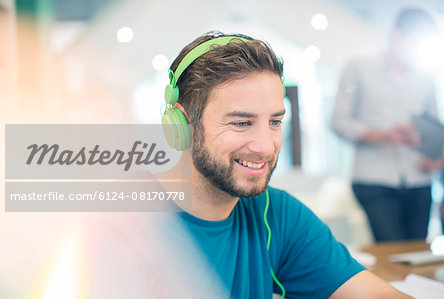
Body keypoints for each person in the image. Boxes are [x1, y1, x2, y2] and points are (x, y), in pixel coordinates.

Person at [162, 31, 411, 298]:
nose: (266, 146)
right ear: (182, 126)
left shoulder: (277, 213)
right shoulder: (128, 228)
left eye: (275, 122)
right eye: (241, 123)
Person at [332, 7, 442, 242]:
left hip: (418, 179)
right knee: (392, 251)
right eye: (413, 41)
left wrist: (434, 155)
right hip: (374, 180)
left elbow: (434, 128)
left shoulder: (426, 80)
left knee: (418, 252)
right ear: (396, 35)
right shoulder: (359, 70)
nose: (415, 50)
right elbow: (339, 122)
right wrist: (385, 136)